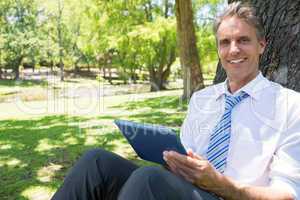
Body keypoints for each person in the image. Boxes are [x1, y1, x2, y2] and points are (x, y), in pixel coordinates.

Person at [51, 2, 300, 200]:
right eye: (225, 42)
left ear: (262, 46)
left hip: (235, 196)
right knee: (96, 162)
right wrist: (174, 161)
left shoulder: (290, 106)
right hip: (186, 191)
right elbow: (183, 156)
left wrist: (223, 185)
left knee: (148, 178)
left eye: (243, 40)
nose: (233, 50)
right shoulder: (202, 99)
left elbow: (287, 194)